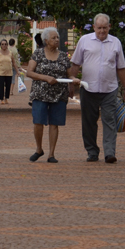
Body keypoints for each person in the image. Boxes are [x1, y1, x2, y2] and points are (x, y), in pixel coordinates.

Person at [68, 13, 125, 164]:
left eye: (105, 28)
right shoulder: (84, 41)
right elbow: (75, 63)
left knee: (109, 120)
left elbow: (121, 67)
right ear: (94, 27)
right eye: (99, 28)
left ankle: (109, 153)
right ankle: (92, 151)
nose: (102, 31)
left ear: (109, 27)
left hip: (110, 89)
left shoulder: (115, 43)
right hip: (88, 88)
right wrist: (70, 83)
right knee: (88, 122)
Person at [26, 27, 79, 163]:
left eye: (57, 38)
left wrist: (73, 80)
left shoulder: (63, 56)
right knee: (38, 122)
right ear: (46, 41)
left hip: (59, 94)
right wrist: (45, 78)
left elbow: (69, 74)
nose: (57, 40)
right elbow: (29, 72)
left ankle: (51, 154)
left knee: (54, 124)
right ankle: (39, 149)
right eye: (53, 38)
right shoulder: (38, 54)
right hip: (40, 93)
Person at [0, 38, 20, 105]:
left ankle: (6, 98)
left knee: (8, 86)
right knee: (0, 86)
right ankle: (1, 99)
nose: (4, 45)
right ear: (0, 45)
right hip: (0, 72)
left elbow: (14, 63)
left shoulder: (10, 53)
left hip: (9, 73)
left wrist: (17, 71)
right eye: (2, 44)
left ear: (7, 45)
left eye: (5, 44)